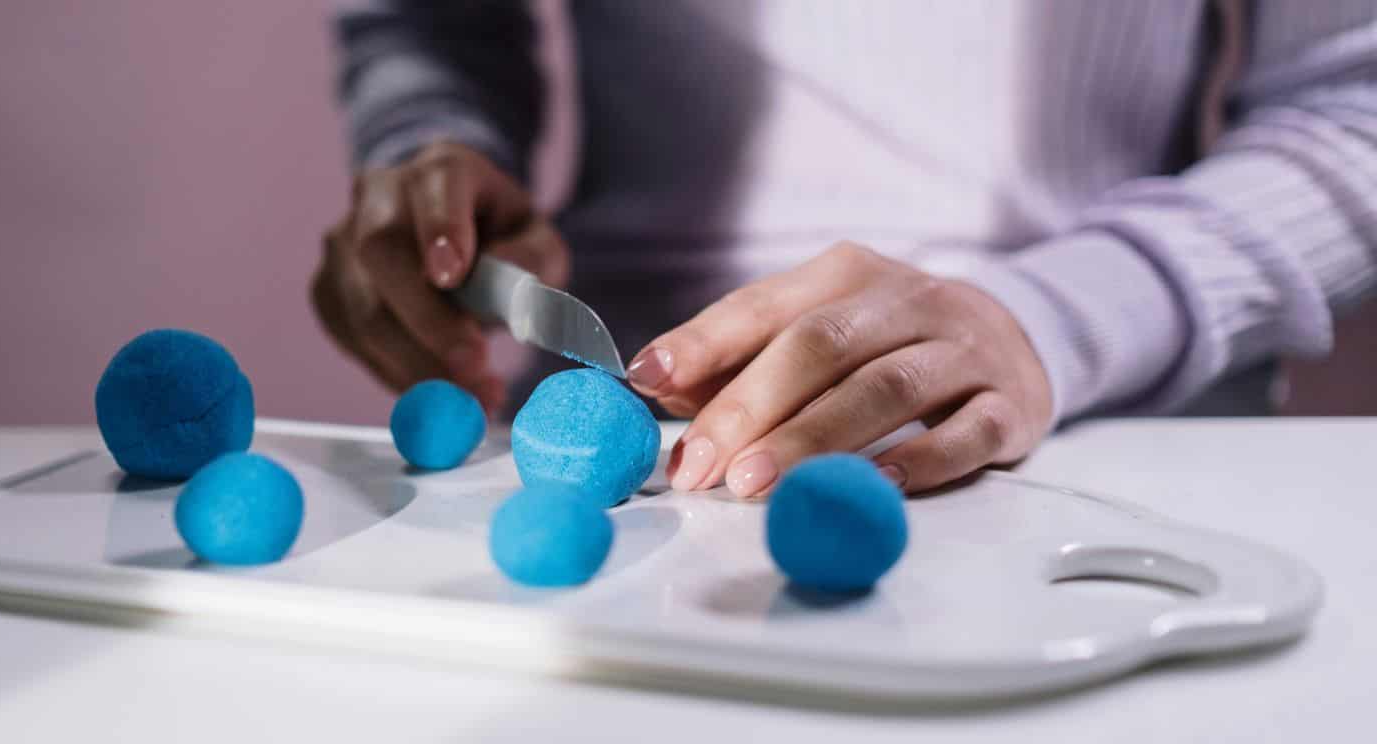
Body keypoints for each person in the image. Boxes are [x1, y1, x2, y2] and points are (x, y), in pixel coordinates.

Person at [312, 1, 1375, 496]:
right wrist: (432, 140)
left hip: (1088, 428)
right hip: (625, 435)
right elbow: (431, 23)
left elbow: (1354, 107)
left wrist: (1048, 321)